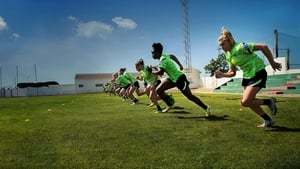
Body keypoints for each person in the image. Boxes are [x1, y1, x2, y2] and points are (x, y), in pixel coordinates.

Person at [215, 28, 282, 127]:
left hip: (258, 72)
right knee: (247, 103)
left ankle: (269, 101)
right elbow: (232, 72)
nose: (221, 47)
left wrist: (272, 62)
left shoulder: (240, 46)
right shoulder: (228, 55)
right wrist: (223, 75)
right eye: (220, 46)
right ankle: (268, 120)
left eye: (223, 44)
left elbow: (263, 47)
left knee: (246, 101)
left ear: (229, 41)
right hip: (247, 77)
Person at [151, 42, 211, 116]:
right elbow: (172, 56)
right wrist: (180, 64)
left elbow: (160, 73)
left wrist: (151, 72)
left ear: (157, 52)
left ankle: (206, 107)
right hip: (172, 79)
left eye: (152, 52)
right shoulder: (165, 56)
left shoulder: (163, 60)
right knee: (158, 90)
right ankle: (170, 103)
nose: (152, 54)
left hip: (180, 79)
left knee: (190, 97)